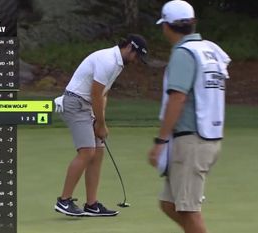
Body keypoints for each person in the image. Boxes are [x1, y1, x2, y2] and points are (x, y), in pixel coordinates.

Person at [148, 1, 231, 232]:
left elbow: (177, 98)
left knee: (188, 210)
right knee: (169, 204)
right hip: (208, 136)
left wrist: (161, 141)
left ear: (166, 26)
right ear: (192, 24)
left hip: (191, 141)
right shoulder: (209, 50)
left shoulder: (184, 54)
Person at [54, 34, 148, 217]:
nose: (137, 61)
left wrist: (100, 120)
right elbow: (95, 94)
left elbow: (103, 94)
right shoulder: (108, 60)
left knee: (98, 152)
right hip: (75, 103)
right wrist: (102, 125)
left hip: (86, 105)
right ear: (129, 47)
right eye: (136, 56)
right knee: (87, 151)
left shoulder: (118, 63)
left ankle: (92, 205)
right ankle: (64, 201)